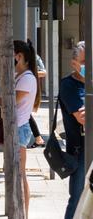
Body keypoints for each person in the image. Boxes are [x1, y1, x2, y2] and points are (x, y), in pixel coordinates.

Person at [0, 40, 40, 218]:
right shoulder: (20, 77)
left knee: (21, 175)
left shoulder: (27, 79)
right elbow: (5, 105)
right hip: (16, 128)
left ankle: (24, 214)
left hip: (20, 129)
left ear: (20, 57)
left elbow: (8, 104)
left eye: (11, 56)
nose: (9, 60)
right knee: (15, 173)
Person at [60, 42, 86, 219]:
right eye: (84, 62)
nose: (88, 66)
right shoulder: (68, 85)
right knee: (77, 199)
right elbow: (82, 118)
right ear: (74, 63)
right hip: (80, 151)